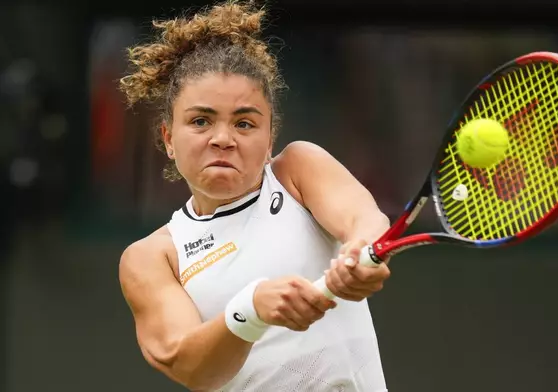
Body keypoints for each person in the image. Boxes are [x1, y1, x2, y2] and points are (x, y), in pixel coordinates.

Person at [118, 2, 392, 391]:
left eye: (245, 123)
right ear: (168, 139)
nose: (223, 139)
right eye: (201, 121)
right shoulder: (152, 257)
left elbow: (363, 221)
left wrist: (360, 254)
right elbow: (190, 367)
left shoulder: (297, 170)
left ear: (269, 141)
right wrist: (251, 309)